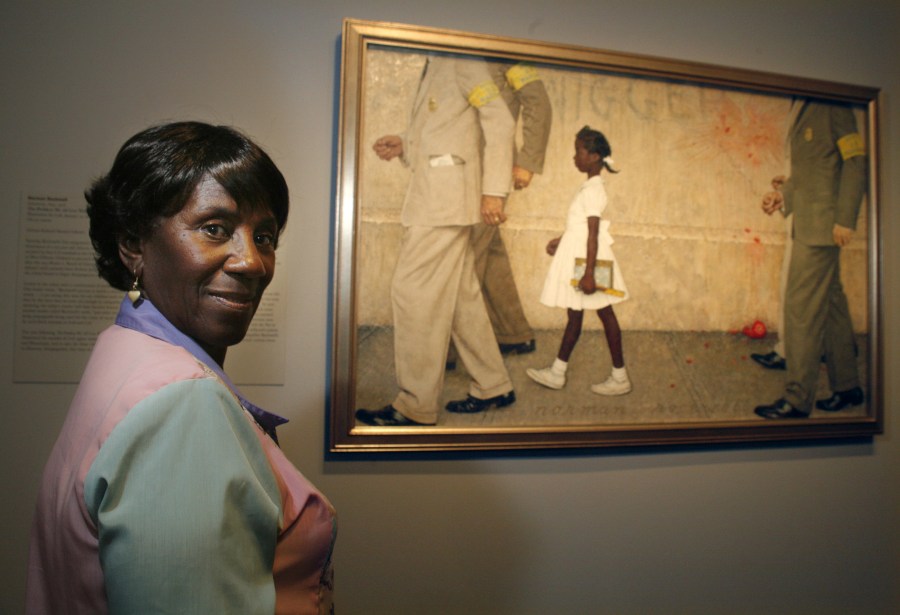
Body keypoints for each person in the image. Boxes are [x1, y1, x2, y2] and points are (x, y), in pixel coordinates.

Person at [26, 122, 336, 614]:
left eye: (265, 236)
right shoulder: (182, 405)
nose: (252, 262)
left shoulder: (124, 348)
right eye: (215, 229)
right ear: (132, 244)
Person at [355, 53, 517, 426]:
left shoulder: (462, 60)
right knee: (462, 297)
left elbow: (501, 121)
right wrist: (405, 143)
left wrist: (495, 190)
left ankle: (416, 404)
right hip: (439, 194)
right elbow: (445, 125)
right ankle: (494, 385)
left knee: (412, 291)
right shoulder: (438, 61)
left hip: (445, 200)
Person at [754, 99, 867, 419]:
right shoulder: (800, 103)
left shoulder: (832, 104)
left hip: (822, 227)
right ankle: (848, 388)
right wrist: (783, 195)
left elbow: (855, 161)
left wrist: (846, 218)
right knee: (832, 306)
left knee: (800, 309)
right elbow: (815, 169)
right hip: (809, 220)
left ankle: (798, 398)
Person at [526, 126, 631, 395]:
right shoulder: (589, 187)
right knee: (576, 315)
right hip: (583, 258)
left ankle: (619, 377)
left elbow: (593, 233)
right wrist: (560, 241)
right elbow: (581, 227)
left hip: (589, 262)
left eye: (578, 152)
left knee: (604, 314)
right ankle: (558, 372)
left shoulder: (594, 190)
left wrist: (589, 274)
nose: (574, 157)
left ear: (594, 157)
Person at [468, 61, 552, 357]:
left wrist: (528, 161)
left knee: (467, 256)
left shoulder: (505, 55)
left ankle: (451, 349)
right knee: (488, 249)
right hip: (464, 164)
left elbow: (538, 102)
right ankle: (512, 333)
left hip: (489, 164)